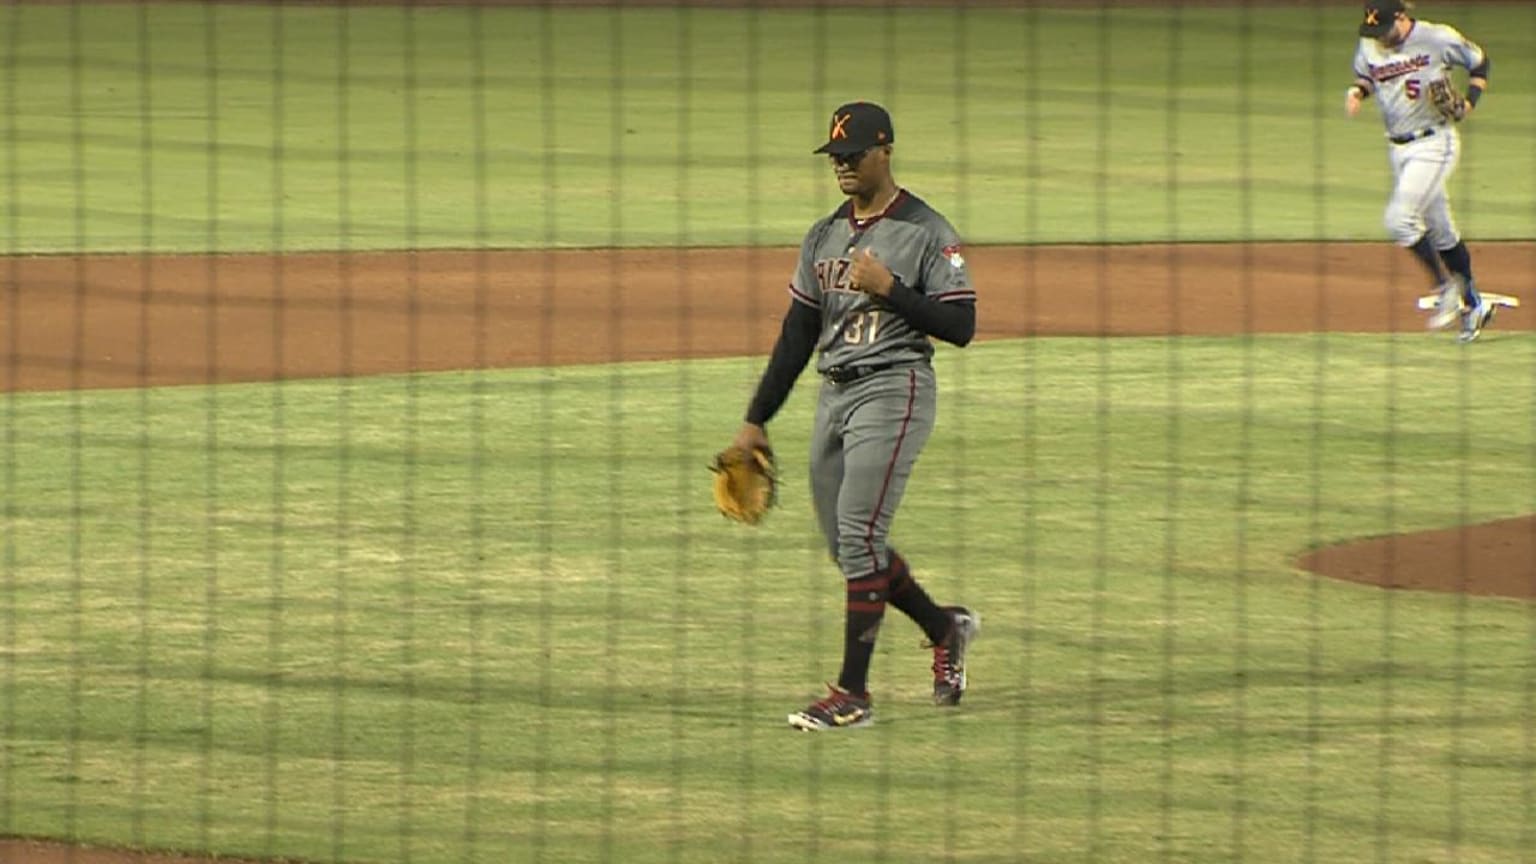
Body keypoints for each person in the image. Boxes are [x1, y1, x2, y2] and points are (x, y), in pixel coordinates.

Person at [727, 101, 980, 731]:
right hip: (833, 395)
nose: (842, 165)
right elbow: (795, 335)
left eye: (854, 154)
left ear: (884, 151)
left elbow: (963, 325)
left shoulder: (927, 231)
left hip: (895, 390)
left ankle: (852, 694)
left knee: (860, 536)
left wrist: (893, 289)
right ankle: (945, 628)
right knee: (850, 549)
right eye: (835, 156)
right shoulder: (823, 235)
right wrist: (756, 419)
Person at [1346, 0, 1494, 342]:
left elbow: (1480, 61)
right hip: (1397, 150)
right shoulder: (1370, 43)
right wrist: (1357, 92)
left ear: (1401, 16)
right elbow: (1368, 76)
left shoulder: (1437, 38)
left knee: (1399, 220)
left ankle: (1445, 290)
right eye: (1374, 32)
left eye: (1384, 30)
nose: (1380, 38)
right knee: (1441, 231)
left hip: (1435, 143)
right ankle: (1475, 306)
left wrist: (1469, 102)